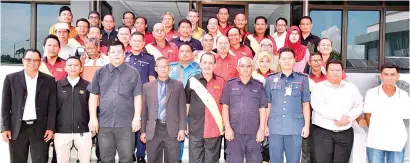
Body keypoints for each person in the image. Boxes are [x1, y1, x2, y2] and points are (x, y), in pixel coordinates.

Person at [88, 41, 143, 163]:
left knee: (127, 158)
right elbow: (93, 96)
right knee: (106, 159)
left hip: (126, 124)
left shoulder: (133, 72)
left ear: (124, 53)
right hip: (104, 124)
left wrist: (137, 118)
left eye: (119, 52)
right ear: (108, 54)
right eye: (113, 52)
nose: (116, 55)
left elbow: (138, 96)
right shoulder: (100, 72)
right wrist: (93, 118)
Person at [1, 49, 56, 163]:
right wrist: (4, 128)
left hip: (40, 127)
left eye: (35, 60)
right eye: (28, 59)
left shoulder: (49, 80)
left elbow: (52, 106)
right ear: (23, 60)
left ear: (40, 62)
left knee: (40, 160)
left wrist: (51, 127)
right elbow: (5, 105)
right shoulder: (11, 79)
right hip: (17, 127)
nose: (32, 62)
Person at [310, 59, 363, 163]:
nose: (335, 72)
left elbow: (359, 106)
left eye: (338, 70)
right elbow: (318, 106)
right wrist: (339, 118)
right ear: (326, 71)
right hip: (323, 133)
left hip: (345, 133)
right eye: (332, 70)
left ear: (342, 72)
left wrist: (349, 118)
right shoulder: (319, 88)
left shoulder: (351, 87)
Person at [265, 47, 311, 163]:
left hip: (295, 127)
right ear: (279, 60)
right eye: (283, 58)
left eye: (290, 58)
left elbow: (305, 104)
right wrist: (265, 125)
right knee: (275, 160)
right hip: (275, 126)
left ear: (294, 60)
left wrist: (306, 125)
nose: (287, 61)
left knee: (294, 160)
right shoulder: (270, 79)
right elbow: (267, 104)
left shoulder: (303, 79)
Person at [221, 57, 268, 163]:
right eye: (242, 66)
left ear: (252, 68)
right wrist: (227, 128)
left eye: (248, 66)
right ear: (237, 68)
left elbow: (262, 109)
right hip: (234, 134)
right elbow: (225, 108)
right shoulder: (229, 85)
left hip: (254, 134)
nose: (245, 68)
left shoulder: (259, 86)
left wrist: (261, 129)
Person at [140, 57, 187, 163]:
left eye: (165, 66)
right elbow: (144, 111)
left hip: (172, 128)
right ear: (155, 69)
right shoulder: (147, 87)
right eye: (160, 66)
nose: (163, 69)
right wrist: (143, 131)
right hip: (153, 128)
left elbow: (182, 109)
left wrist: (182, 129)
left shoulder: (178, 85)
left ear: (169, 68)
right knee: (153, 159)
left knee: (172, 159)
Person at [364, 63, 410, 163]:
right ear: (381, 76)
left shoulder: (404, 95)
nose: (389, 77)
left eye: (392, 74)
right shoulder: (371, 93)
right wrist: (375, 131)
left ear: (398, 76)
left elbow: (406, 115)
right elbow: (367, 115)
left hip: (397, 140)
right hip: (375, 141)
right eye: (386, 74)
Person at [185, 52, 225, 163]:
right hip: (195, 128)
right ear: (200, 64)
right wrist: (185, 123)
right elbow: (186, 104)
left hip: (214, 128)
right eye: (205, 62)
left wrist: (225, 124)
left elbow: (225, 106)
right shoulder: (192, 81)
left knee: (212, 160)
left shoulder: (221, 82)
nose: (207, 66)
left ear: (215, 65)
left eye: (210, 63)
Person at [54, 56, 92, 163]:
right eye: (69, 65)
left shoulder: (87, 86)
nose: (72, 68)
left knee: (85, 160)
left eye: (76, 65)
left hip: (84, 130)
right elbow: (52, 108)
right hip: (61, 131)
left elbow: (93, 107)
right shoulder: (58, 85)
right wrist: (52, 128)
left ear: (81, 68)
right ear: (65, 68)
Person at [125, 32, 156, 163]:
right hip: (126, 97)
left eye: (139, 41)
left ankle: (141, 154)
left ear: (144, 43)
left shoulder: (149, 58)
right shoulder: (124, 57)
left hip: (143, 97)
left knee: (141, 125)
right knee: (127, 125)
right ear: (130, 42)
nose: (137, 43)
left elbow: (152, 79)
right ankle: (129, 152)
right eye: (134, 40)